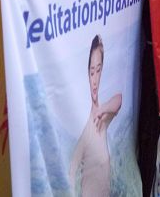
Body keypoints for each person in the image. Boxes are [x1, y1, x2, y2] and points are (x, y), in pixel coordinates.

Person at [69, 34, 122, 196]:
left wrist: (102, 109)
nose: (95, 79)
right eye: (91, 72)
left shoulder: (101, 119)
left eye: (98, 70)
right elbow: (71, 172)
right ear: (86, 73)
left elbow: (119, 100)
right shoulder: (85, 128)